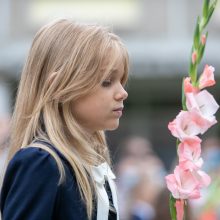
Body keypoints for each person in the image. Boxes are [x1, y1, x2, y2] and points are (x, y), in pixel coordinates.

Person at [0, 19, 129, 220]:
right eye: (107, 82)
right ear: (58, 86)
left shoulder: (89, 164)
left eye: (121, 81)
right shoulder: (40, 163)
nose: (122, 93)